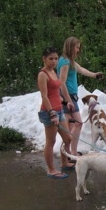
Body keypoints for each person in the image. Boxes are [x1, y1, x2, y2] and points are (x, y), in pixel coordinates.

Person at [57, 36, 103, 156]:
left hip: (70, 97)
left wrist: (94, 75)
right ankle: (68, 153)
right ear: (71, 47)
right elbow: (61, 83)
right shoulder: (66, 62)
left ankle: (70, 153)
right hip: (68, 96)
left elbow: (81, 70)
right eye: (77, 47)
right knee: (77, 124)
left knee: (72, 125)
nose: (78, 50)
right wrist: (68, 100)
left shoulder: (68, 60)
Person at [37, 47, 76, 179]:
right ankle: (51, 169)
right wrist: (52, 113)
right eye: (50, 59)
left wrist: (65, 102)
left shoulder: (53, 72)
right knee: (51, 141)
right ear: (44, 59)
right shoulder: (43, 74)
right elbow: (45, 96)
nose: (54, 61)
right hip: (49, 112)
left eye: (55, 58)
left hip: (59, 110)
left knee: (68, 138)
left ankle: (65, 162)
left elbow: (55, 94)